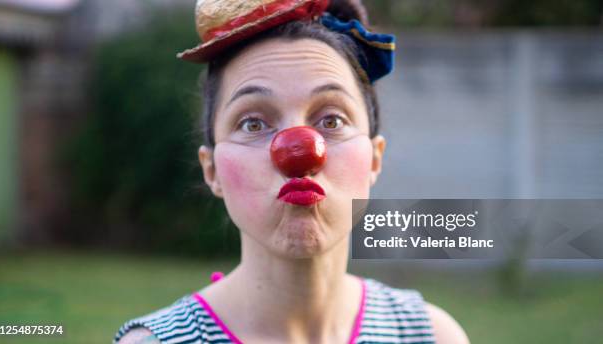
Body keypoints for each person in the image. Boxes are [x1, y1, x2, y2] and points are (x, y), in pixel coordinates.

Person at [115, 0, 470, 343]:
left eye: (331, 120)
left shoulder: (431, 336)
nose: (298, 152)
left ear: (375, 159)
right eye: (253, 123)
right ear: (213, 171)